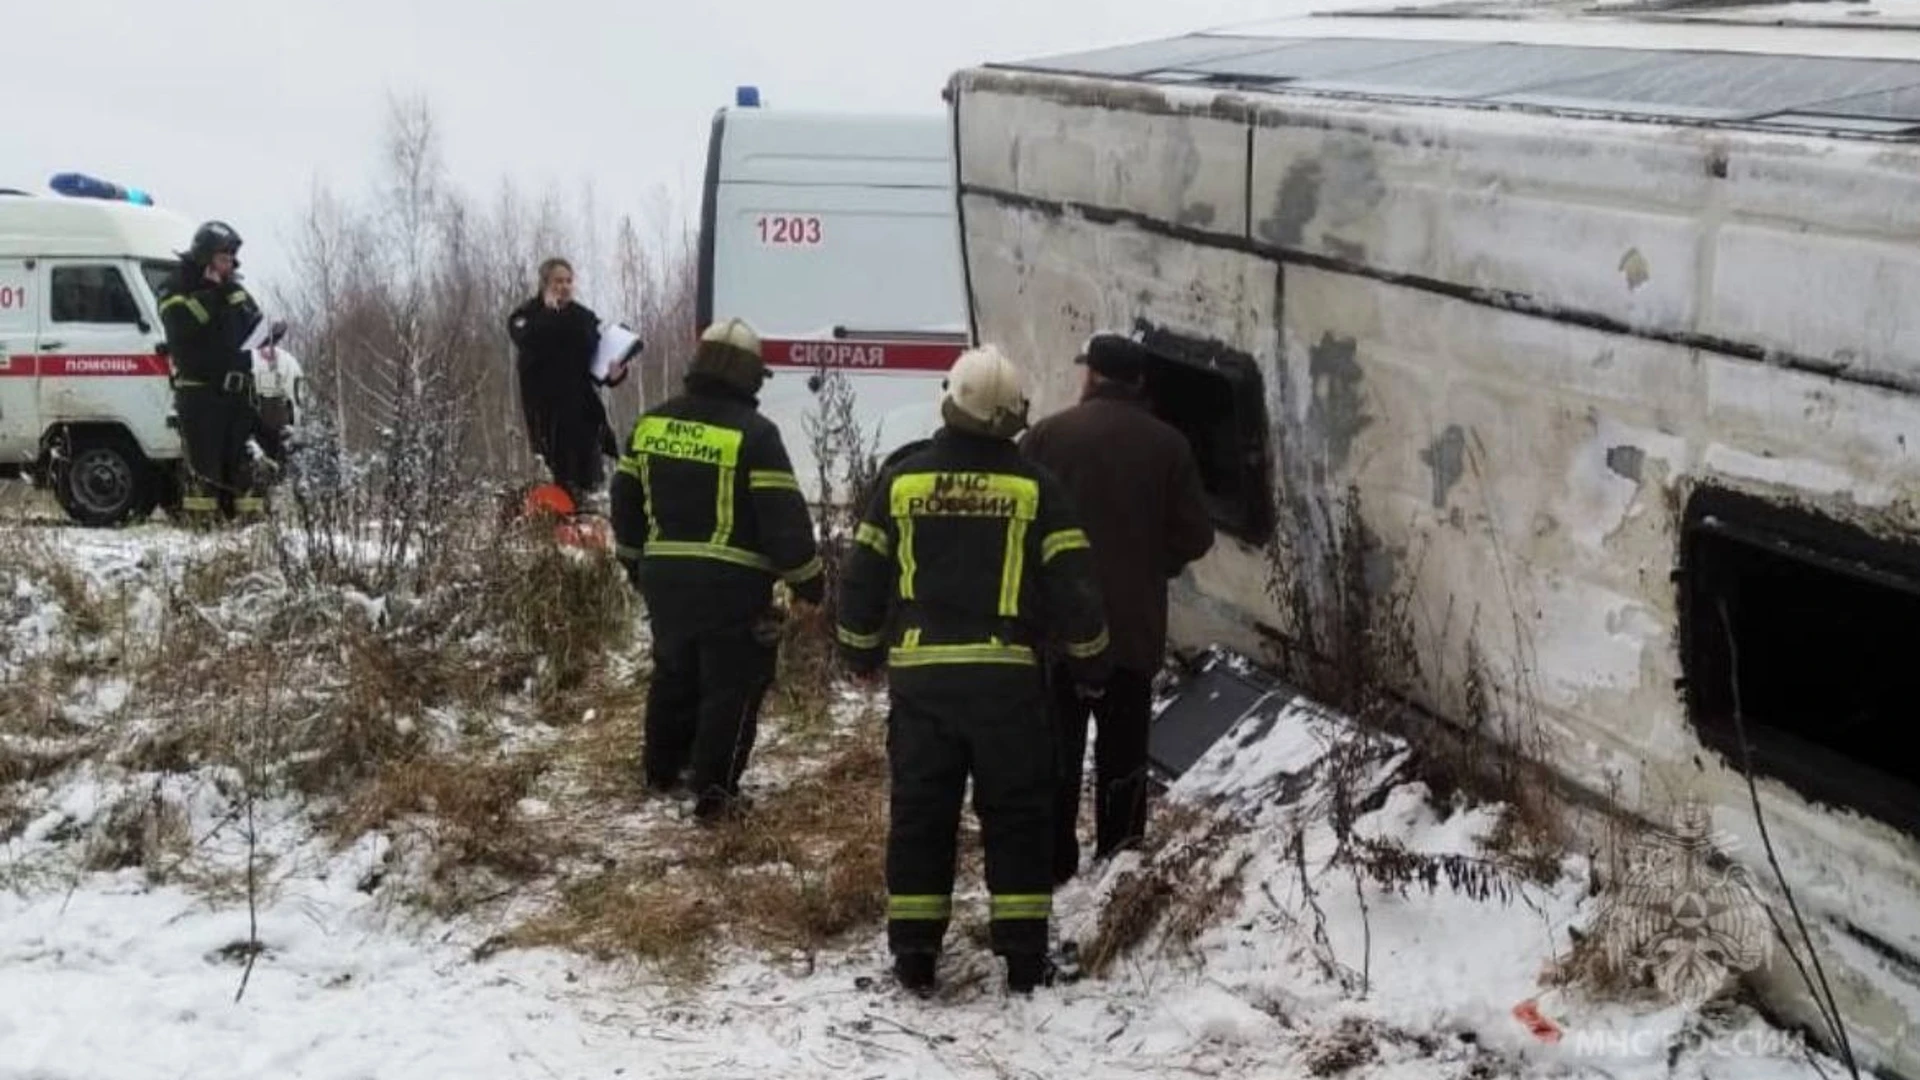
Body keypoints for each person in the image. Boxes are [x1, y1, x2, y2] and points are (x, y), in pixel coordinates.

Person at [836, 344, 1111, 997]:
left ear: (950, 402)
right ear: (1012, 417)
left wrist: (859, 651)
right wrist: (1092, 663)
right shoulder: (1035, 489)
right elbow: (1075, 586)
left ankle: (913, 955)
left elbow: (863, 574)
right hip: (1006, 685)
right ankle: (1021, 959)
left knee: (921, 815)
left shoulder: (902, 482)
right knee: (1017, 816)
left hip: (922, 681)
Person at [610, 317, 825, 823]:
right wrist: (808, 581)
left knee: (674, 672)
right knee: (733, 686)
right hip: (733, 586)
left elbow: (624, 501)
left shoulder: (652, 423)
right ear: (749, 375)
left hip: (665, 580)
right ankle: (715, 794)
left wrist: (635, 561)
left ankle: (662, 771)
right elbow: (783, 518)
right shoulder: (755, 434)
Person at [1018, 333, 1215, 885]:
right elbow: (1197, 535)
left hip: (1057, 628)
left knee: (1056, 748)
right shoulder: (1169, 446)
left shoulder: (1046, 436)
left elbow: (1017, 524)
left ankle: (1054, 857)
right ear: (1139, 383)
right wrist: (1157, 562)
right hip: (1132, 627)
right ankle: (1119, 859)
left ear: (1091, 376)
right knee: (1123, 750)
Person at [156, 221, 267, 525]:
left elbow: (252, 320)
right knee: (205, 473)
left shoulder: (233, 287)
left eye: (231, 259)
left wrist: (265, 335)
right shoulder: (175, 286)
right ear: (205, 257)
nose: (229, 264)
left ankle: (249, 536)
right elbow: (180, 323)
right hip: (199, 392)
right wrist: (213, 293)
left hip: (238, 392)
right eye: (223, 258)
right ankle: (203, 537)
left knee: (245, 468)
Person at [508, 258, 615, 507]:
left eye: (569, 281)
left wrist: (615, 372)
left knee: (587, 486)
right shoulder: (526, 316)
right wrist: (549, 313)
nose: (564, 286)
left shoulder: (583, 318)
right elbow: (527, 340)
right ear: (545, 284)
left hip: (582, 414)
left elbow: (598, 367)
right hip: (545, 415)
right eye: (558, 281)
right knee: (554, 485)